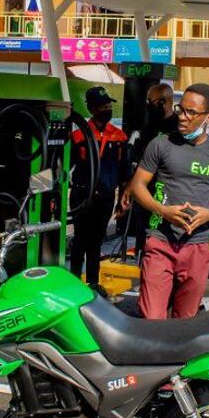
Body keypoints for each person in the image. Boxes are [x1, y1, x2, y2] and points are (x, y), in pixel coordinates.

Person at [131, 83, 209, 319]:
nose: (183, 117)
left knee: (186, 319)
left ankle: (178, 358)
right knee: (152, 319)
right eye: (181, 110)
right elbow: (137, 186)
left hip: (197, 247)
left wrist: (208, 214)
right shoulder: (160, 145)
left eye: (192, 113)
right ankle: (153, 356)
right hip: (160, 242)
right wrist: (163, 211)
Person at [70, 86, 128, 288]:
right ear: (92, 109)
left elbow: (123, 171)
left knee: (95, 243)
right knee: (79, 242)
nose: (106, 109)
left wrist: (123, 198)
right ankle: (74, 282)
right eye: (101, 106)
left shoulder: (119, 136)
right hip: (82, 195)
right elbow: (65, 167)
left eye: (107, 105)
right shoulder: (79, 136)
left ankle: (93, 284)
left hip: (105, 197)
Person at [124, 83, 179, 255]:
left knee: (163, 241)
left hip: (168, 195)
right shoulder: (148, 128)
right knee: (144, 240)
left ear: (164, 102)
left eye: (151, 101)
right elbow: (139, 161)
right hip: (145, 194)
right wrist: (129, 188)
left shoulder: (178, 128)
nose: (149, 105)